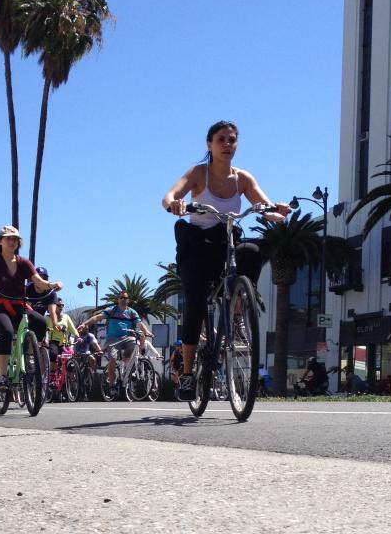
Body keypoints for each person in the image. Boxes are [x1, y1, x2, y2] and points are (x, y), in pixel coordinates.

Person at [162, 120, 290, 400]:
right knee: (195, 303)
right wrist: (175, 203)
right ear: (209, 144)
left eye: (232, 140)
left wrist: (276, 211)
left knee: (253, 251)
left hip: (225, 242)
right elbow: (170, 195)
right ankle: (186, 374)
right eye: (221, 139)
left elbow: (264, 205)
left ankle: (237, 307)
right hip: (196, 244)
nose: (227, 145)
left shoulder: (243, 178)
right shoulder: (199, 173)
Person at [0, 225, 61, 389]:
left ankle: (30, 352)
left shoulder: (24, 263)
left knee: (41, 322)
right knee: (7, 332)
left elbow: (38, 281)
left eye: (15, 238)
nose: (12, 241)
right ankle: (3, 376)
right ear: (0, 241)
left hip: (20, 305)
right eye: (8, 238)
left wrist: (51, 284)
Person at [78, 292, 152, 387]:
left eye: (125, 298)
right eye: (121, 298)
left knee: (139, 337)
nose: (123, 299)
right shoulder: (112, 310)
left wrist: (146, 331)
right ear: (118, 299)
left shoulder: (132, 312)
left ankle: (131, 363)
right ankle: (112, 384)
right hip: (113, 339)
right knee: (112, 359)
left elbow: (140, 323)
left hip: (127, 337)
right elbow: (97, 317)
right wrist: (85, 324)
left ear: (128, 300)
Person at [45, 299, 79, 373]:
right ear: (54, 306)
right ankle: (52, 376)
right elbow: (42, 328)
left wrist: (78, 337)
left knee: (70, 361)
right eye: (59, 305)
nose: (61, 307)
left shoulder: (66, 317)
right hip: (53, 342)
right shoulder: (47, 318)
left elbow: (72, 328)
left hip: (64, 343)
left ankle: (69, 379)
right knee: (53, 355)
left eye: (62, 305)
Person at [27, 266, 61, 331]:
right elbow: (26, 307)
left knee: (42, 325)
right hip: (26, 318)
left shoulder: (51, 293)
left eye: (43, 278)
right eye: (38, 279)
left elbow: (52, 312)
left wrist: (55, 324)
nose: (40, 281)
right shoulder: (27, 289)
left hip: (40, 320)